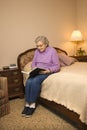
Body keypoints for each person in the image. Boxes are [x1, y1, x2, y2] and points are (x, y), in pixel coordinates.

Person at [21, 36, 60, 117]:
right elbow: (33, 63)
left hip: (46, 71)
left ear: (46, 44)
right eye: (37, 46)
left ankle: (32, 105)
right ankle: (27, 104)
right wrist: (34, 69)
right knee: (29, 81)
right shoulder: (36, 51)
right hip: (37, 71)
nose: (39, 48)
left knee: (34, 81)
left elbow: (57, 66)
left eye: (41, 45)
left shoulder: (52, 51)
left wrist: (48, 70)